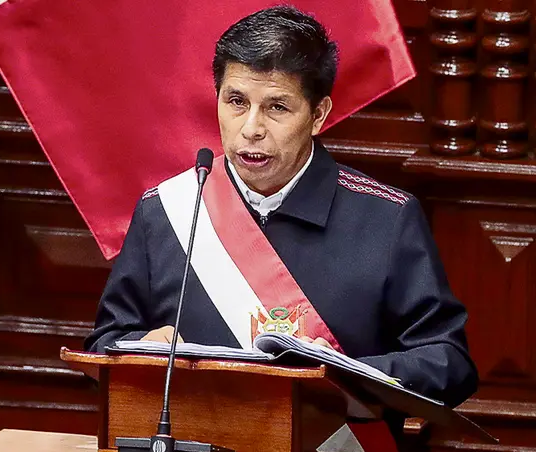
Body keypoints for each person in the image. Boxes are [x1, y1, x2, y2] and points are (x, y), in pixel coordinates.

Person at [84, 6, 477, 416]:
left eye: (276, 107)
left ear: (318, 114)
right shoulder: (167, 212)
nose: (251, 128)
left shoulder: (386, 218)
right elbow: (103, 345)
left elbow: (449, 364)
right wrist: (138, 352)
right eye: (236, 101)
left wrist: (347, 375)